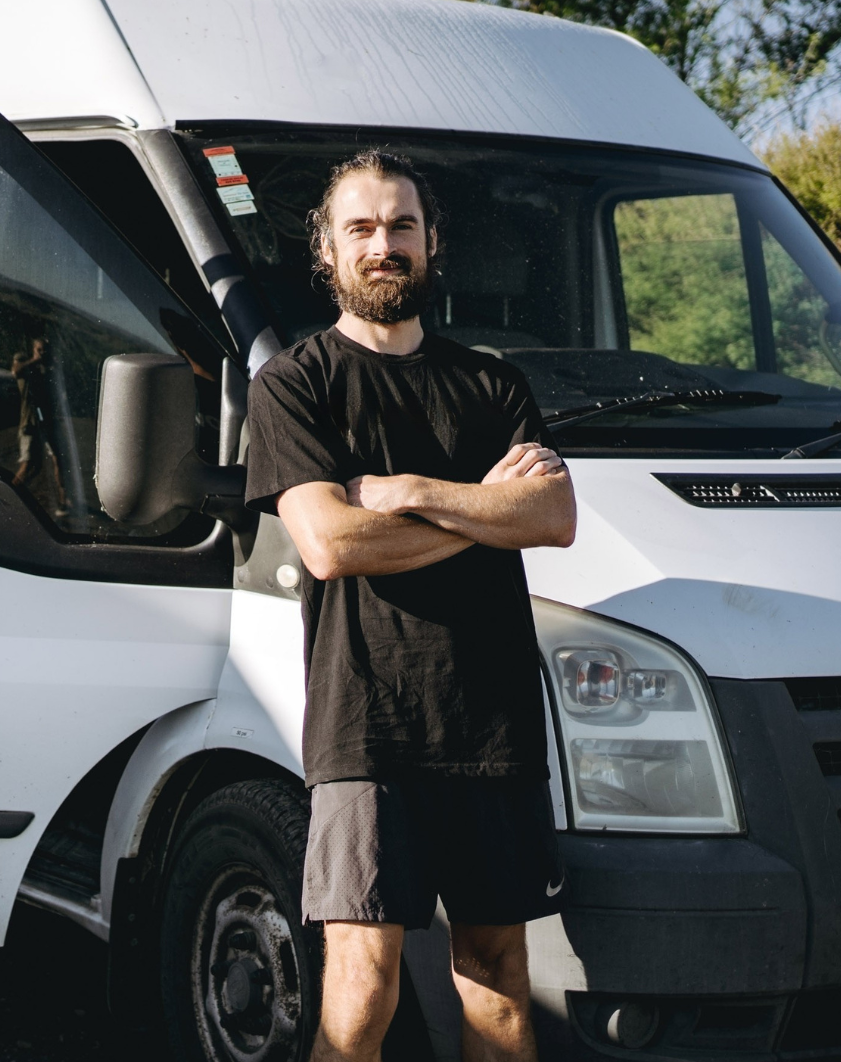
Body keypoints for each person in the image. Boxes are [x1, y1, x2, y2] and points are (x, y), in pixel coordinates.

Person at [243, 150, 577, 1062]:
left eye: (400, 226)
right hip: (367, 729)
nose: (382, 245)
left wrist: (412, 488)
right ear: (328, 249)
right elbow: (331, 543)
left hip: (493, 723)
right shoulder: (294, 384)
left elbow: (552, 515)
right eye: (361, 228)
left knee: (500, 984)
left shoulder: (492, 384)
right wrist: (483, 513)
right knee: (360, 996)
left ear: (431, 242)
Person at [9, 336, 60, 497]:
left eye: (44, 350)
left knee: (45, 463)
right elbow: (15, 371)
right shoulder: (25, 364)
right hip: (29, 421)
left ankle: (62, 499)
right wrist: (34, 360)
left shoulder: (44, 369)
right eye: (39, 349)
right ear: (33, 350)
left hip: (43, 421)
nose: (42, 353)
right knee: (27, 464)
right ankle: (10, 494)